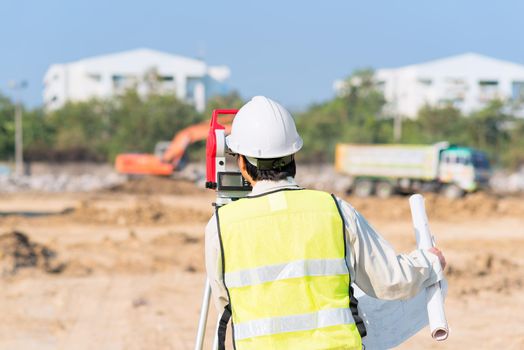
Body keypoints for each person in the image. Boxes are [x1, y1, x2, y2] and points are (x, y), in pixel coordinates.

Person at [205, 96, 446, 350]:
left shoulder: (221, 225)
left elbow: (226, 305)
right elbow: (390, 280)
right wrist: (429, 262)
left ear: (242, 162)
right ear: (293, 155)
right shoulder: (335, 209)